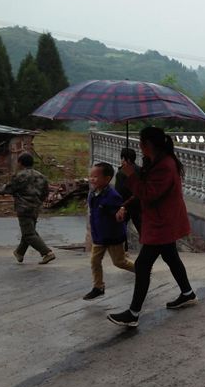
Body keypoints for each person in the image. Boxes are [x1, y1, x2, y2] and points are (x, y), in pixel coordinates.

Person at [107, 127, 196, 327]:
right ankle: (188, 293)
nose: (139, 146)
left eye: (141, 142)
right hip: (162, 219)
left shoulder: (165, 166)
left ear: (148, 144)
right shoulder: (157, 162)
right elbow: (145, 189)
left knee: (142, 264)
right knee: (171, 256)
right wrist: (127, 200)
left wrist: (131, 176)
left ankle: (133, 313)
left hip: (162, 222)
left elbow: (149, 194)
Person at [83, 162, 135, 300]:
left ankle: (142, 271)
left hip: (113, 236)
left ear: (107, 179)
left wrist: (119, 214)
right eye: (91, 176)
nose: (92, 179)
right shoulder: (92, 193)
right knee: (95, 261)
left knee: (119, 262)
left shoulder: (113, 196)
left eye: (95, 176)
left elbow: (119, 214)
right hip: (99, 236)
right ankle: (98, 287)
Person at [0, 153, 55, 265]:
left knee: (29, 234)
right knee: (29, 231)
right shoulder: (41, 176)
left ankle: (47, 253)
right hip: (36, 207)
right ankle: (19, 253)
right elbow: (45, 193)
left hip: (23, 208)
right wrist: (38, 201)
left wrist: (1, 190)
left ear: (20, 163)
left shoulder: (20, 176)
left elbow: (9, 188)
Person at [114, 147, 142, 236]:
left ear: (127, 160)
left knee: (120, 231)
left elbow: (119, 192)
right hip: (139, 205)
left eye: (122, 158)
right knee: (142, 230)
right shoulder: (140, 170)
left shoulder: (123, 172)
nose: (121, 161)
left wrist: (120, 206)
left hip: (126, 205)